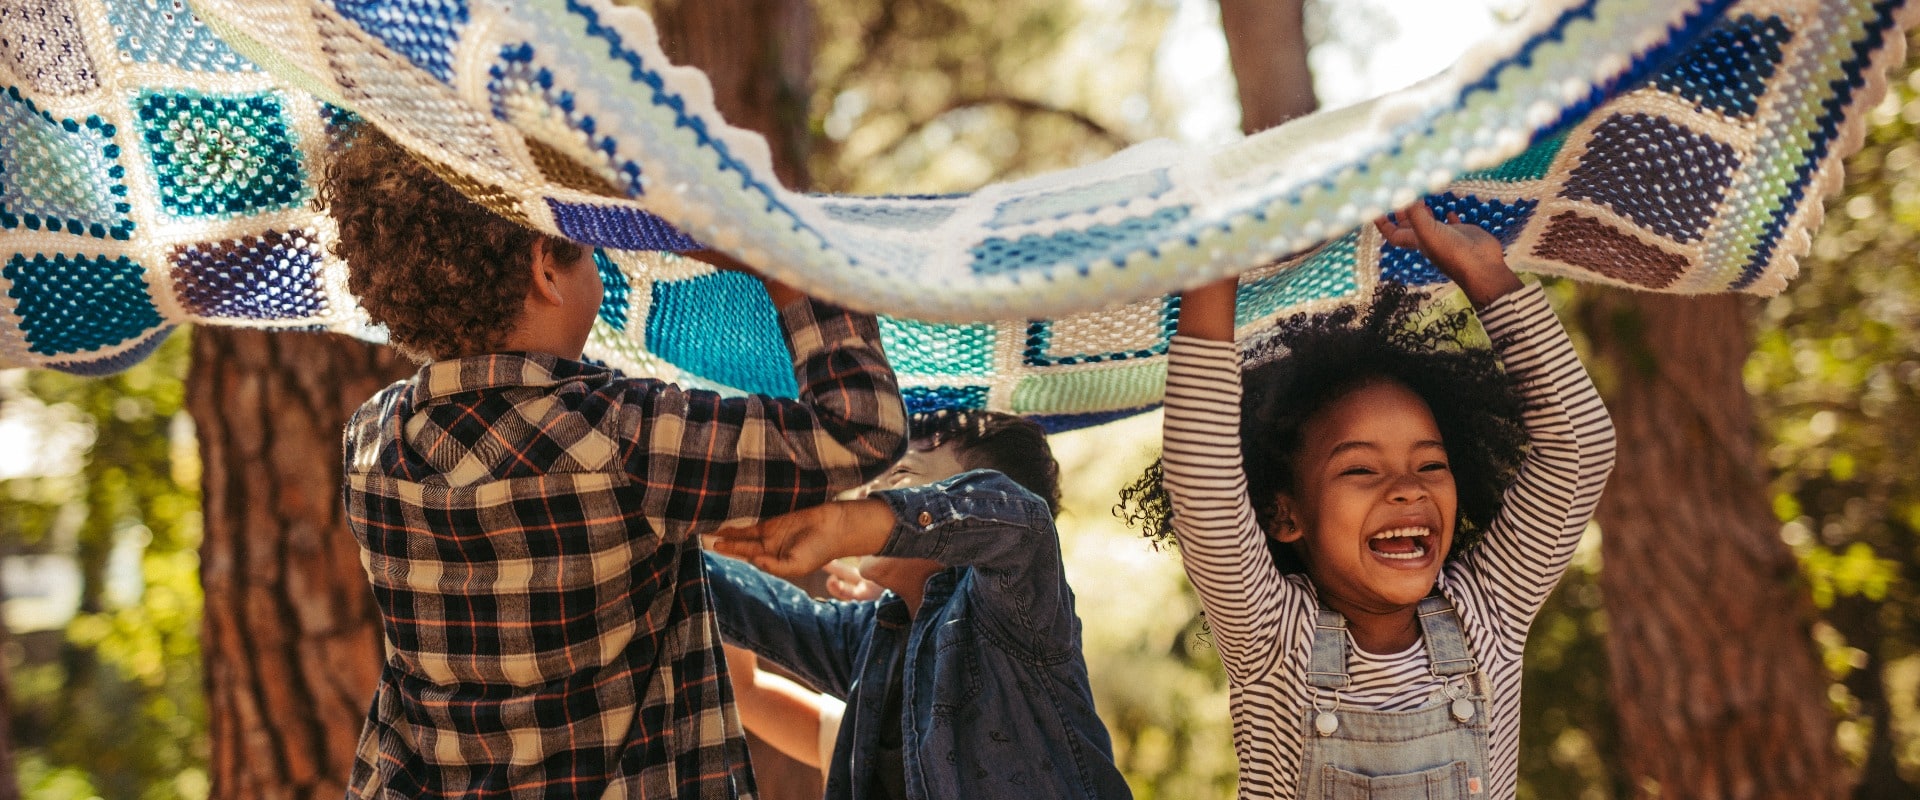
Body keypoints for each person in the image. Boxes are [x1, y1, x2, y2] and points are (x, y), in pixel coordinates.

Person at [326, 122, 907, 799]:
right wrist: (785, 270)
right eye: (589, 252)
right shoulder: (624, 440)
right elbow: (860, 429)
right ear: (547, 267)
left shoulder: (369, 443)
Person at [1120, 204, 1616, 798]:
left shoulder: (1487, 617)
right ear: (1284, 514)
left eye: (1431, 464)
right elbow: (1205, 490)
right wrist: (1212, 273)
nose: (1407, 487)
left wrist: (1487, 274)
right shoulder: (1273, 636)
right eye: (1360, 468)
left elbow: (1580, 451)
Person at [705, 412, 1132, 800]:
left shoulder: (1011, 615)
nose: (871, 490)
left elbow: (1022, 522)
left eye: (902, 473)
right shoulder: (874, 637)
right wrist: (710, 522)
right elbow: (737, 602)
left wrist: (847, 524)